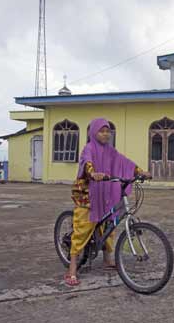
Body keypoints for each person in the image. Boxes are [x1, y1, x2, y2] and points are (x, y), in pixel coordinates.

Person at [65, 118, 151, 287]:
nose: (105, 134)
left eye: (108, 131)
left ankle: (107, 260)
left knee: (110, 225)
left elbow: (125, 162)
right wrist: (93, 173)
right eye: (101, 131)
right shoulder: (88, 149)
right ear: (93, 133)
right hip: (88, 195)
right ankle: (72, 270)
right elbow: (87, 163)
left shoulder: (111, 151)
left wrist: (141, 171)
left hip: (105, 192)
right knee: (82, 230)